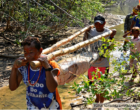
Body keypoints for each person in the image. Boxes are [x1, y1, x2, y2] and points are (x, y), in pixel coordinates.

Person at [9, 37, 62, 109]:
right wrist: (14, 68)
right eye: (25, 52)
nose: (28, 56)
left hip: (52, 107)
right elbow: (12, 87)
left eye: (31, 52)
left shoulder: (51, 65)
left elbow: (52, 88)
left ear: (40, 51)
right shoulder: (23, 67)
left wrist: (47, 68)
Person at [83, 15, 116, 104]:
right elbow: (84, 44)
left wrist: (112, 37)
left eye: (100, 24)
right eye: (96, 24)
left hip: (103, 64)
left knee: (102, 85)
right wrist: (86, 32)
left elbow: (111, 47)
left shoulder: (108, 32)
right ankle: (97, 98)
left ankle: (101, 104)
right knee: (93, 84)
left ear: (104, 23)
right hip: (92, 63)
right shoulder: (91, 32)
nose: (98, 26)